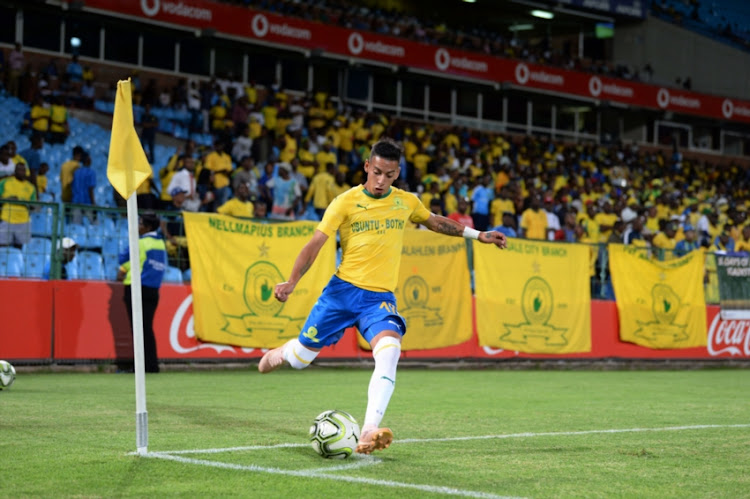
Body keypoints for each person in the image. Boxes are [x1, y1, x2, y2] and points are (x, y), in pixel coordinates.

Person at [258, 138, 507, 455]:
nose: (381, 181)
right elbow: (315, 244)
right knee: (300, 360)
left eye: (389, 175)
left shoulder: (406, 201)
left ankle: (368, 430)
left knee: (390, 351)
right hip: (341, 294)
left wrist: (478, 235)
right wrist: (292, 281)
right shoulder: (345, 202)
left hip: (379, 300)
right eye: (376, 172)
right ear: (367, 166)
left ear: (397, 173)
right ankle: (287, 351)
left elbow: (436, 221)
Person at [117, 213, 167, 373]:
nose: (137, 226)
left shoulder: (140, 243)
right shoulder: (160, 244)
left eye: (140, 223)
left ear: (148, 227)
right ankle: (151, 365)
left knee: (138, 329)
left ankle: (141, 367)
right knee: (147, 329)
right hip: (154, 290)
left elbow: (122, 257)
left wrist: (124, 268)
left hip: (137, 288)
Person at [0, 163, 36, 249]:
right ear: (15, 171)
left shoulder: (30, 187)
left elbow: (34, 205)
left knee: (21, 248)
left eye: (23, 170)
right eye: (19, 169)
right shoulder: (5, 182)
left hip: (23, 221)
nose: (21, 172)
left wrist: (22, 201)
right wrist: (8, 199)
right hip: (6, 219)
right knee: (2, 247)